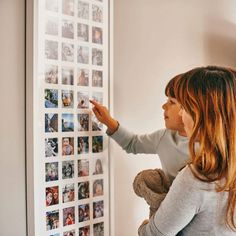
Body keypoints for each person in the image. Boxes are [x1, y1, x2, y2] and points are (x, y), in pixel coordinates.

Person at [139, 66, 236, 235]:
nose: (181, 114)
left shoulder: (197, 178)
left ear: (204, 115)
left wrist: (147, 221)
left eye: (184, 107)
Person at [90, 74, 188, 183]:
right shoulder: (164, 137)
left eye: (172, 102)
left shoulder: (208, 149)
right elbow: (133, 143)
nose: (164, 106)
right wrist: (108, 121)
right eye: (167, 100)